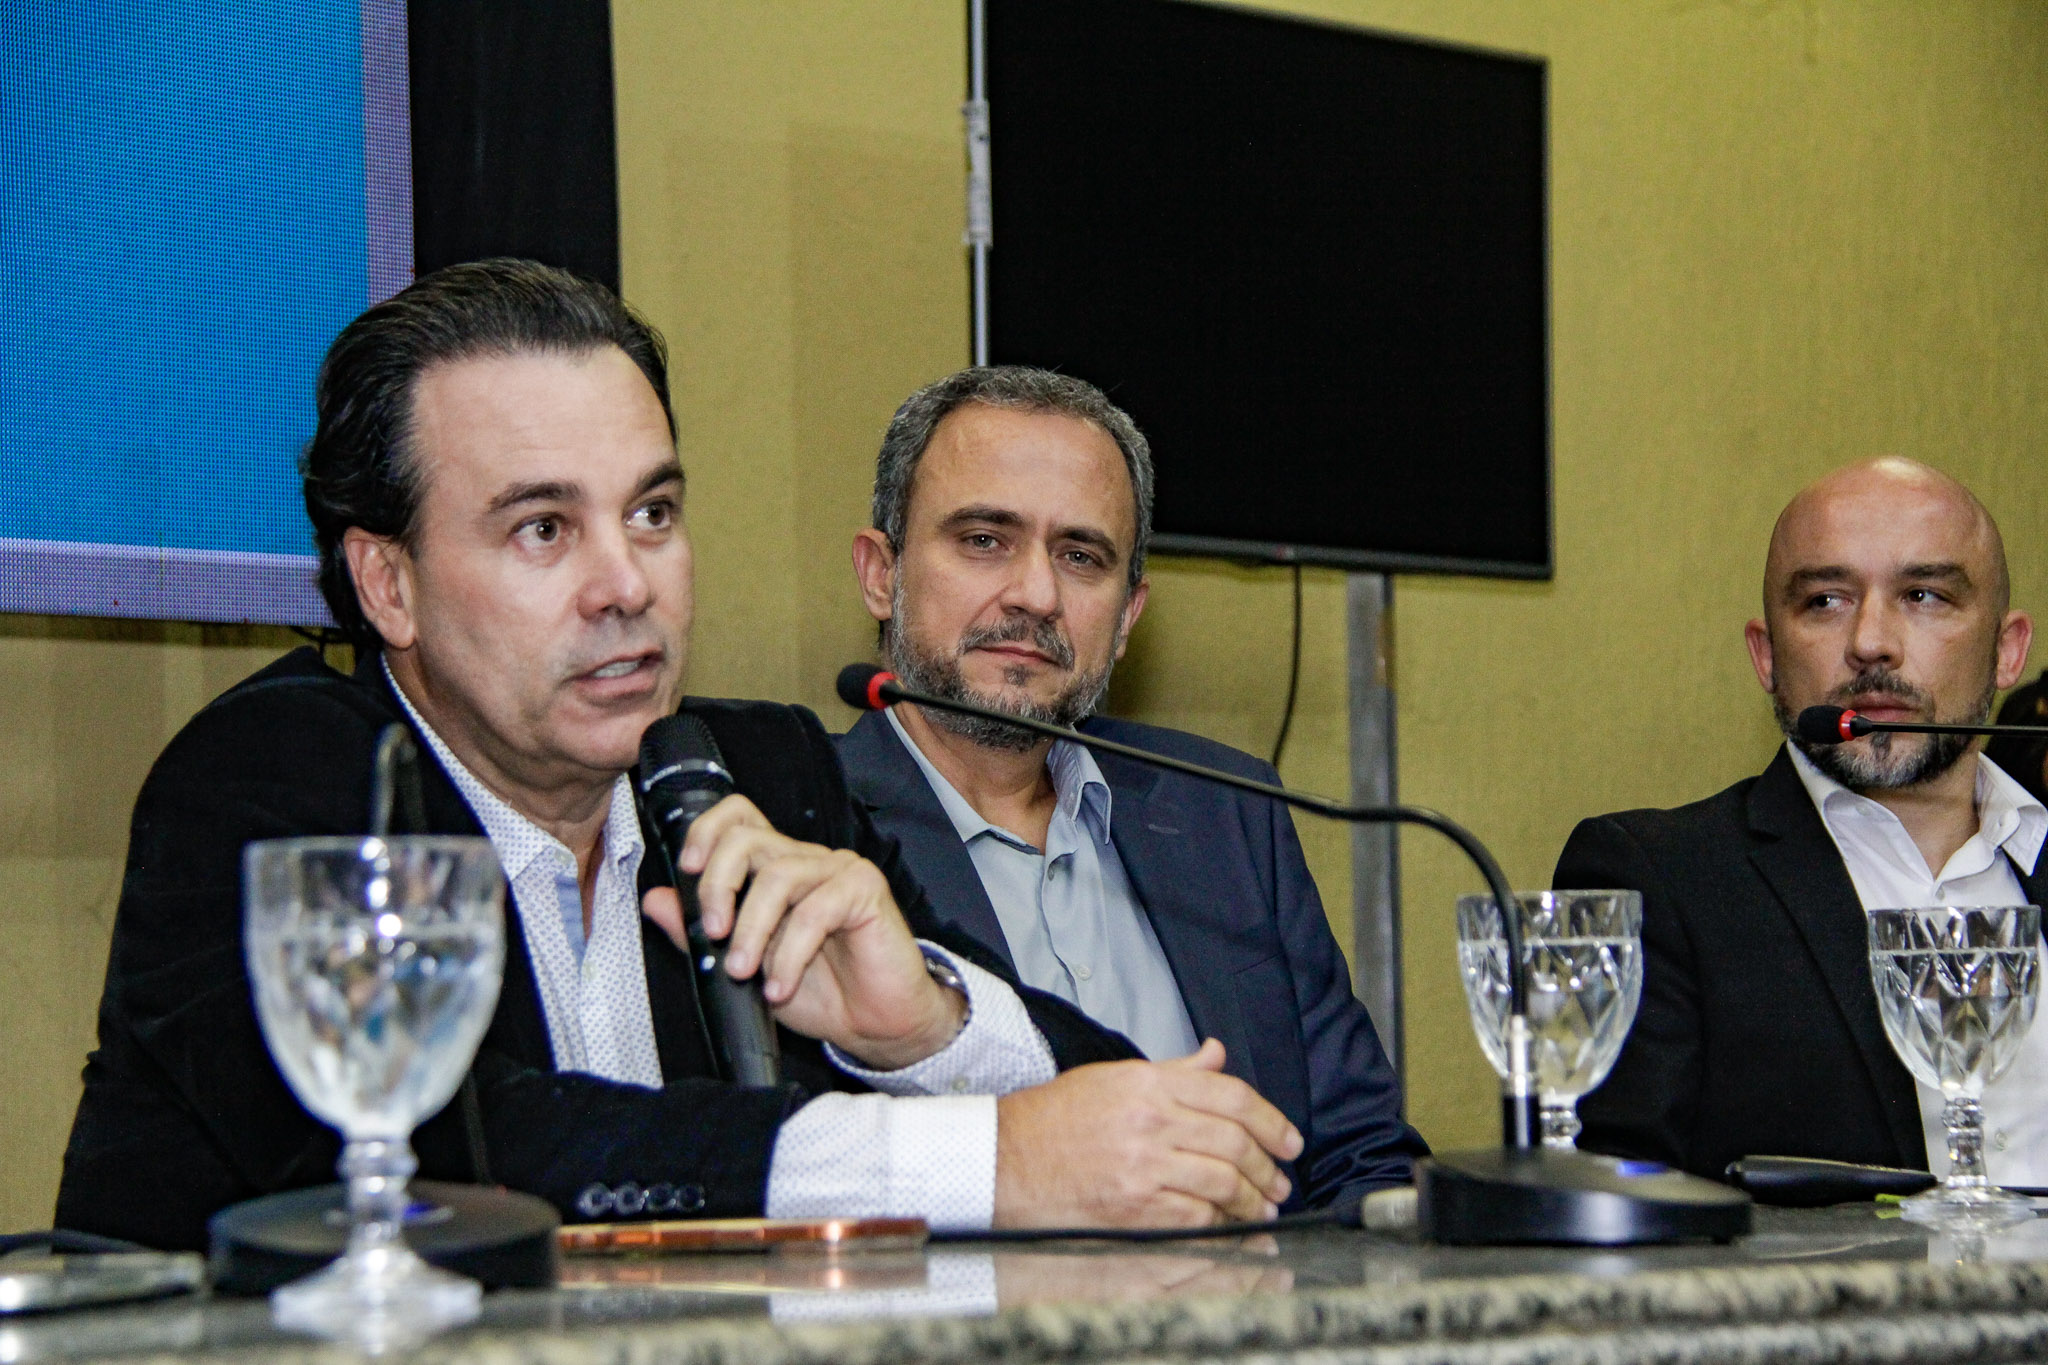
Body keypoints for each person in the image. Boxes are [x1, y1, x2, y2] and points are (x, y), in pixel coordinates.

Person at [54, 262, 1306, 1251]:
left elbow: (1110, 1115)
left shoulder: (755, 772)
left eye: (651, 514)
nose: (625, 585)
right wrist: (988, 1160)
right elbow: (448, 1155)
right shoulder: (275, 780)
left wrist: (922, 1026)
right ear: (388, 583)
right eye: (543, 529)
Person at [835, 366, 1425, 1213]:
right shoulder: (805, 829)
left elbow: (1368, 1161)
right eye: (984, 539)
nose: (1036, 595)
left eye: (1081, 557)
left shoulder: (1230, 813)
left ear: (1126, 616)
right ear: (879, 574)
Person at [1557, 457, 2045, 1182]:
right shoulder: (1658, 878)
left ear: (2008, 651)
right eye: (1825, 601)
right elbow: (1614, 1203)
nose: (1871, 641)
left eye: (1923, 595)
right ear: (1766, 656)